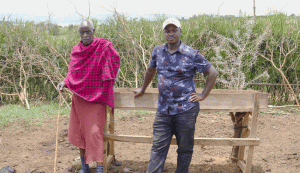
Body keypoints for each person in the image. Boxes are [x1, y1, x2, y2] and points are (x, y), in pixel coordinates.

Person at [134, 18, 218, 173]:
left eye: (174, 30)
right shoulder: (158, 51)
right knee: (158, 148)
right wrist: (143, 89)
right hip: (163, 110)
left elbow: (212, 72)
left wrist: (203, 95)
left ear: (180, 32)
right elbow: (150, 71)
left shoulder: (191, 54)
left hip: (186, 110)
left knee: (185, 149)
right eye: (168, 31)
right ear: (164, 33)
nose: (171, 33)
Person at [57, 19, 120, 173]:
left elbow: (115, 61)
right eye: (82, 32)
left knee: (94, 133)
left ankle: (99, 168)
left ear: (94, 31)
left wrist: (111, 77)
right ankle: (85, 167)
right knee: (79, 132)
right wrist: (65, 82)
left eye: (88, 32)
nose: (84, 35)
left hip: (97, 97)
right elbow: (72, 72)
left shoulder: (104, 47)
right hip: (79, 98)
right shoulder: (76, 50)